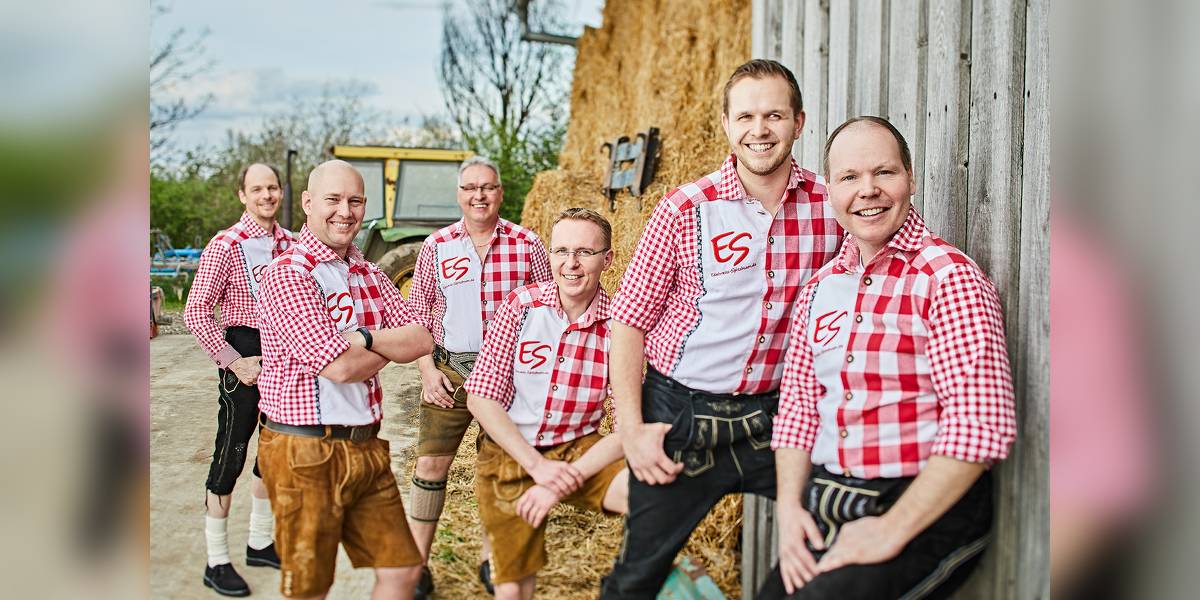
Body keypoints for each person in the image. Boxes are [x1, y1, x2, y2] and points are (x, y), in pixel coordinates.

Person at [600, 59, 843, 598]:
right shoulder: (686, 208)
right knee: (637, 575)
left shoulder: (833, 206)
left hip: (781, 417)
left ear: (799, 122)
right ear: (727, 125)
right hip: (682, 415)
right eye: (746, 117)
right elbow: (629, 319)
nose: (760, 130)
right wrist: (632, 430)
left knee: (828, 534)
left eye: (774, 115)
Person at [757, 116, 1017, 599]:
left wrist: (891, 529)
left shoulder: (948, 278)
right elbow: (797, 412)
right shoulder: (818, 291)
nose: (867, 190)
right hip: (830, 498)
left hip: (923, 505)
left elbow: (980, 427)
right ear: (830, 191)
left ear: (910, 179)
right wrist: (790, 511)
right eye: (849, 177)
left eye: (884, 172)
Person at [255, 160, 433, 599]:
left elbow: (422, 338)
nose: (345, 211)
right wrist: (386, 345)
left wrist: (365, 338)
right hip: (305, 451)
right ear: (308, 203)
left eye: (355, 201)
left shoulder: (369, 272)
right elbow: (339, 367)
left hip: (366, 445)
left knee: (403, 570)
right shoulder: (286, 273)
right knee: (310, 588)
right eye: (333, 199)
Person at [405, 156, 552, 596]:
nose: (479, 195)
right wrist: (427, 371)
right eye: (470, 188)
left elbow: (547, 310)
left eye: (487, 187)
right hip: (449, 370)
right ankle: (417, 566)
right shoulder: (436, 246)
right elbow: (419, 314)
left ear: (500, 193)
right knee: (431, 464)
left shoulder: (527, 244)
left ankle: (493, 559)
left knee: (498, 468)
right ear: (459, 194)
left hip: (508, 375)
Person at [465, 208, 629, 600]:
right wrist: (537, 467)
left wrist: (562, 479)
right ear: (550, 254)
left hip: (577, 446)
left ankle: (630, 582)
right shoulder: (522, 306)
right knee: (512, 589)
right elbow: (481, 397)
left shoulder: (620, 324)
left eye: (584, 252)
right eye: (561, 251)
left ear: (607, 259)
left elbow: (629, 427)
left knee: (649, 496)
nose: (571, 263)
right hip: (512, 450)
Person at [184, 163, 291, 596]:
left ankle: (260, 542)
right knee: (231, 455)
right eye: (257, 189)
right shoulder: (226, 244)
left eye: (272, 187)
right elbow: (195, 311)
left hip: (283, 356)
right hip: (244, 353)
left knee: (272, 454)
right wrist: (233, 361)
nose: (266, 195)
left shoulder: (292, 243)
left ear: (281, 192)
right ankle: (216, 561)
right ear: (242, 195)